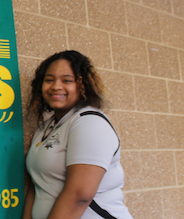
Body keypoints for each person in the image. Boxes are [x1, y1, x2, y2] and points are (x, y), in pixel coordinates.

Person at [22, 50, 133, 219]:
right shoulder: (45, 128)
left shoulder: (89, 123)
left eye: (67, 80)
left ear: (83, 86)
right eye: (49, 80)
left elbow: (80, 195)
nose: (56, 86)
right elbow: (37, 186)